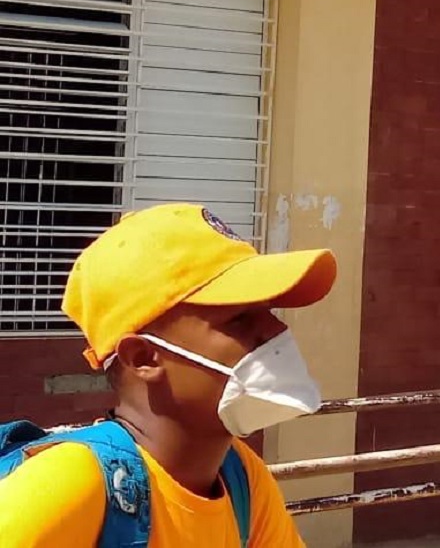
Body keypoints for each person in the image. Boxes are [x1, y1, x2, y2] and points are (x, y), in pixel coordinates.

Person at [0, 203, 338, 546]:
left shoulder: (242, 479)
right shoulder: (71, 483)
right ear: (144, 357)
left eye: (268, 311)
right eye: (240, 318)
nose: (276, 329)